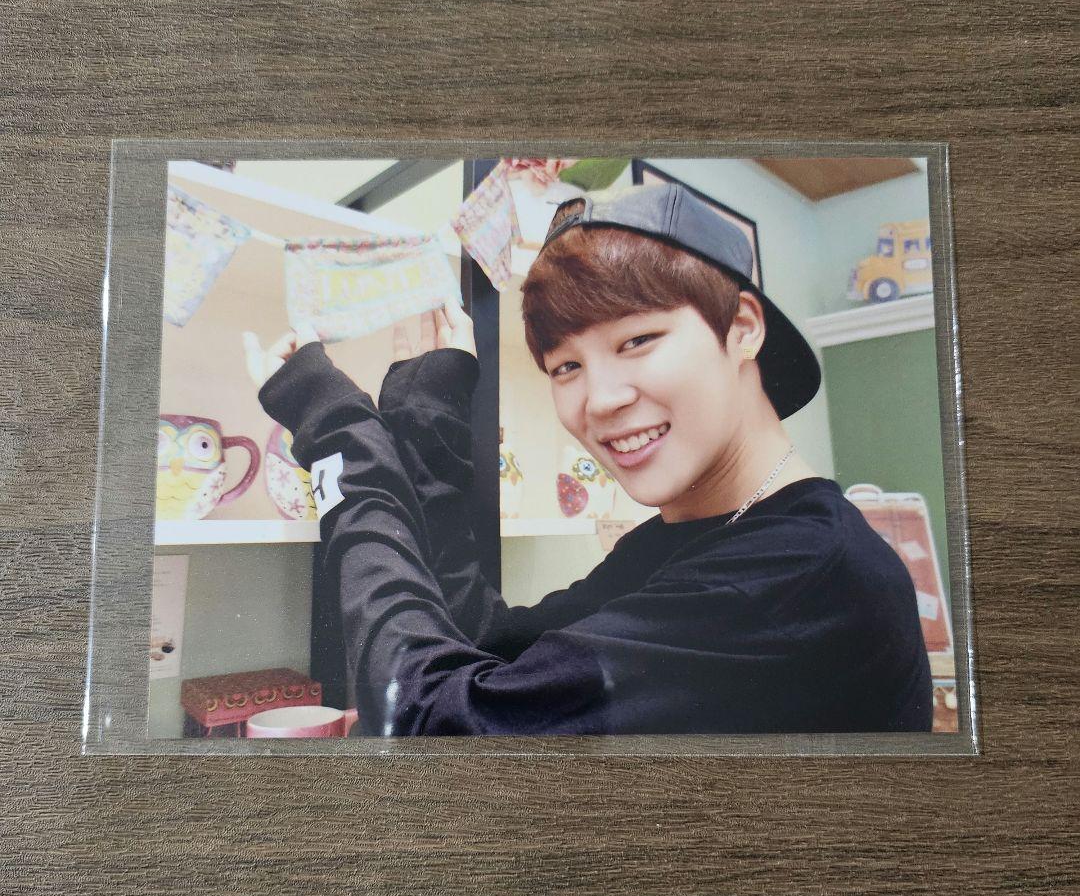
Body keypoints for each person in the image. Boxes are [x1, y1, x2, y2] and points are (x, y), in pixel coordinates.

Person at [243, 182, 932, 736]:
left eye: (637, 341)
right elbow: (486, 637)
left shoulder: (801, 571)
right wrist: (430, 421)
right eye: (566, 366)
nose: (600, 400)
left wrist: (340, 441)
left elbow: (425, 725)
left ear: (742, 328)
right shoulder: (697, 535)